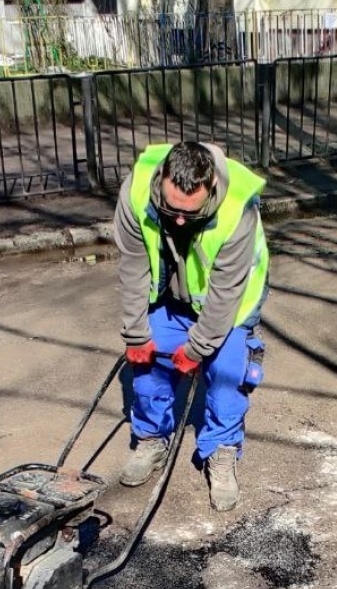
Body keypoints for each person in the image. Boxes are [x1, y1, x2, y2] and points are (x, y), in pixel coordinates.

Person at [113, 141, 270, 512]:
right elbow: (134, 266)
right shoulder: (136, 192)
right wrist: (135, 333)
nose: (180, 219)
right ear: (161, 180)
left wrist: (197, 349)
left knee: (229, 373)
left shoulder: (237, 209)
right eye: (171, 209)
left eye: (191, 211)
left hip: (229, 304)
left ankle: (221, 450)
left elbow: (225, 294)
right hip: (172, 294)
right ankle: (151, 438)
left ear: (211, 185)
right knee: (148, 361)